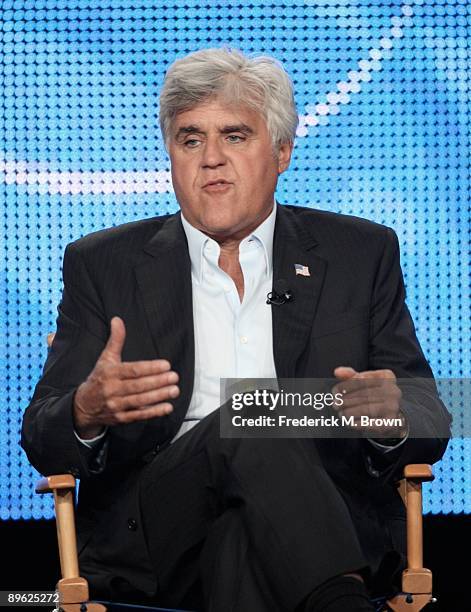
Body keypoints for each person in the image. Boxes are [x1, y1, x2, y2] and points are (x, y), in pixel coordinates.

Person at [21, 48, 451, 612]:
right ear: (170, 154)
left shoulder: (360, 253)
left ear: (282, 152)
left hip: (323, 523)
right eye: (190, 139)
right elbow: (40, 434)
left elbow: (435, 417)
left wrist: (390, 412)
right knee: (250, 415)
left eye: (236, 136)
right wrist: (85, 409)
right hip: (158, 530)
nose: (211, 160)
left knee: (240, 540)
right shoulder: (103, 264)